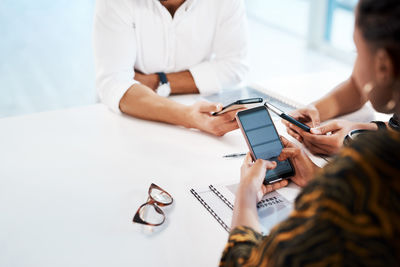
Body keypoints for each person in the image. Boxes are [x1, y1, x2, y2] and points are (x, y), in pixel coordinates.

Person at [220, 0, 400, 265]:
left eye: (356, 51)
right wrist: (319, 175)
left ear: (383, 66)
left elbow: (248, 263)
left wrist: (246, 196)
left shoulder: (369, 171)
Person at [93, 0, 248, 136]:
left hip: (197, 111)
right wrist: (188, 116)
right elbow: (114, 84)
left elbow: (234, 68)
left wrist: (157, 82)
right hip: (127, 119)